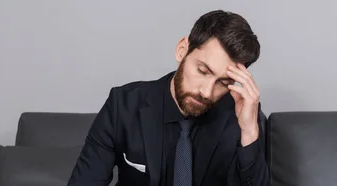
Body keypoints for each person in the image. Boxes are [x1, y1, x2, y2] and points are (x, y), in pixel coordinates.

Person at [67, 10, 269, 186]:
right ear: (182, 50)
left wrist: (250, 132)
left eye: (223, 83)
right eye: (202, 70)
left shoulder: (243, 119)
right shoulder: (123, 105)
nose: (207, 92)